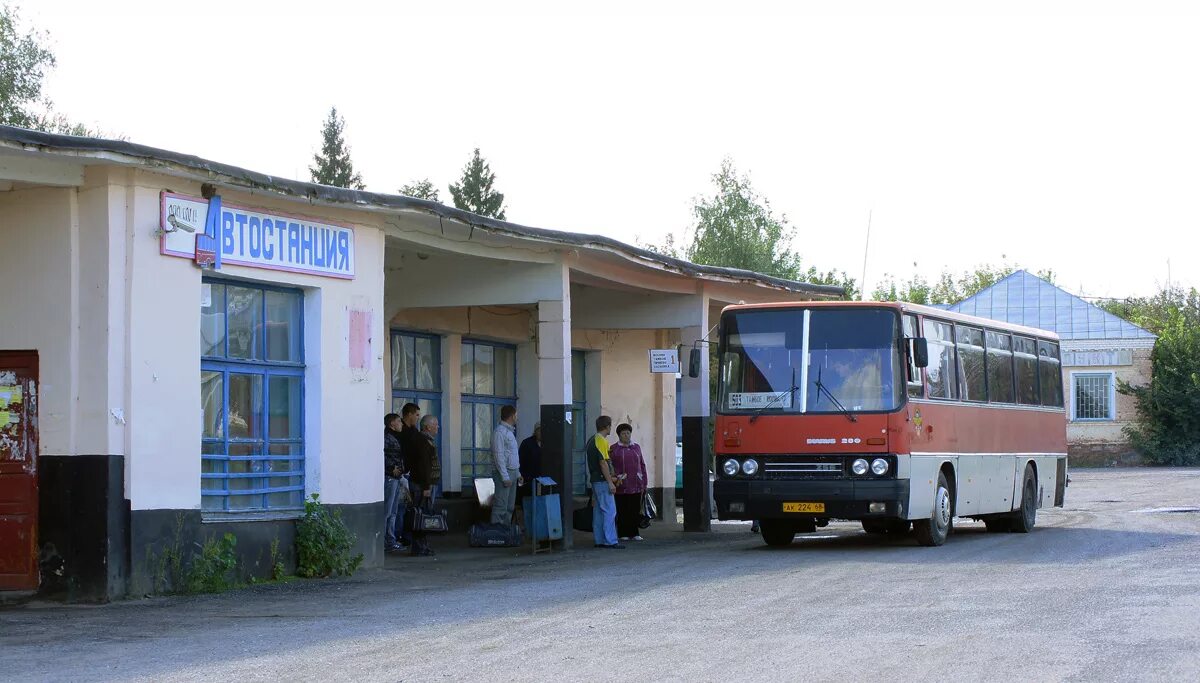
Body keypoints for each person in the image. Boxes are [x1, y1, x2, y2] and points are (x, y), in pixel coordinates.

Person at [587, 416, 623, 549]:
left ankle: (599, 540)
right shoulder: (601, 441)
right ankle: (610, 540)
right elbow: (603, 463)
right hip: (602, 481)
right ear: (607, 426)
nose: (610, 428)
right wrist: (610, 482)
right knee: (609, 511)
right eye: (610, 426)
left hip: (595, 481)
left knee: (598, 512)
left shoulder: (591, 440)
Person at [408, 414, 440, 557]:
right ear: (427, 426)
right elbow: (424, 466)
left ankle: (423, 546)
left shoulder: (427, 441)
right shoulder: (423, 441)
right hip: (422, 485)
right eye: (435, 424)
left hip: (426, 484)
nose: (437, 427)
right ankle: (419, 547)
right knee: (420, 516)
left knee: (425, 516)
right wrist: (426, 486)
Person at [610, 423, 648, 542]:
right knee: (622, 509)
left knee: (635, 509)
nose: (626, 435)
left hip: (636, 483)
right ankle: (623, 533)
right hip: (621, 484)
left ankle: (634, 532)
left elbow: (642, 464)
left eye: (628, 433)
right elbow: (610, 466)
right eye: (623, 433)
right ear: (619, 436)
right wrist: (615, 477)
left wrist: (644, 481)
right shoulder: (614, 449)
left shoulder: (636, 447)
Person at [490, 405, 523, 526]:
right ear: (512, 416)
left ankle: (506, 531)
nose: (517, 418)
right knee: (501, 505)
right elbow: (498, 456)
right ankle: (497, 531)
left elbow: (513, 455)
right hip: (504, 473)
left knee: (509, 506)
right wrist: (505, 477)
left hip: (512, 472)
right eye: (516, 415)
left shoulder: (509, 433)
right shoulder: (499, 432)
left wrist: (518, 473)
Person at [396, 403, 423, 547]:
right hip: (402, 473)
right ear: (409, 414)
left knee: (409, 506)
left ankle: (407, 535)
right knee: (400, 508)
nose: (418, 418)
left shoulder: (414, 431)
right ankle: (399, 536)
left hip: (412, 473)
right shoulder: (401, 432)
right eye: (417, 415)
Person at [383, 413, 408, 553]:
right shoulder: (386, 438)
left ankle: (390, 540)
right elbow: (382, 455)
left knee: (393, 511)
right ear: (392, 423)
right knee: (388, 511)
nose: (401, 424)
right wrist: (391, 468)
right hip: (390, 477)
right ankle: (385, 540)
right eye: (399, 421)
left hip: (396, 478)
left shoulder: (395, 437)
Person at [518, 422, 543, 502]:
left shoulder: (548, 443)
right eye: (539, 430)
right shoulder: (527, 443)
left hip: (543, 480)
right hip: (529, 480)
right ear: (535, 431)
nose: (541, 433)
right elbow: (520, 461)